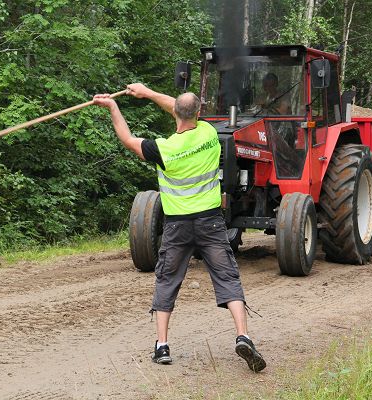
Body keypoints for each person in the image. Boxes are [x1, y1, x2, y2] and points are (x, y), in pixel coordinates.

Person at [93, 83, 266, 372]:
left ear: (176, 112)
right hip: (211, 222)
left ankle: (162, 346)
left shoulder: (163, 148)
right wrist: (148, 92)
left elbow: (127, 139)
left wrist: (113, 107)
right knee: (228, 278)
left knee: (167, 280)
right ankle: (243, 335)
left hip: (177, 227)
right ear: (199, 113)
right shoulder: (210, 134)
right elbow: (180, 107)